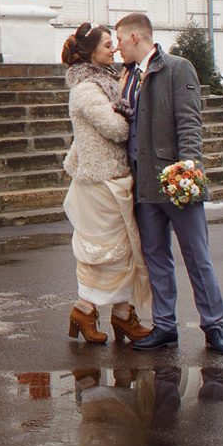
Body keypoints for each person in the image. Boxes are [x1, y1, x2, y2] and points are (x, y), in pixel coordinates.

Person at [117, 13, 223, 354]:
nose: (118, 46)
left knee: (197, 256)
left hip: (176, 181)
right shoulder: (130, 76)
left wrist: (189, 171)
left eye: (120, 39)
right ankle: (165, 326)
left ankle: (214, 328)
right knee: (156, 257)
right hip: (144, 185)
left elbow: (189, 123)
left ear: (136, 38)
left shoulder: (177, 68)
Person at [60, 21, 153, 345]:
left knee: (124, 251)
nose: (114, 49)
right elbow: (118, 130)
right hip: (100, 181)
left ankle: (120, 315)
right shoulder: (87, 89)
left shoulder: (106, 82)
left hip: (113, 176)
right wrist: (128, 107)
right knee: (106, 253)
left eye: (114, 44)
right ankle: (86, 311)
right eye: (107, 45)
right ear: (89, 54)